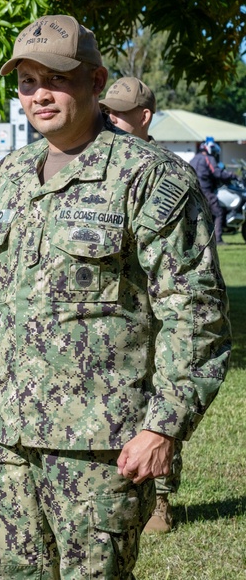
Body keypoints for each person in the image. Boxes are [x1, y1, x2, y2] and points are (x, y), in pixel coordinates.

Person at [0, 14, 230, 578]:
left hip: (100, 447)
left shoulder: (149, 176)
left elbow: (195, 314)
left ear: (96, 83)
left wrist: (164, 426)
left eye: (56, 78)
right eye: (27, 82)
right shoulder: (9, 176)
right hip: (5, 441)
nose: (39, 95)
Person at [100, 76, 201, 533]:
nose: (111, 119)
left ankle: (161, 498)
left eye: (120, 113)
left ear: (144, 117)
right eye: (108, 111)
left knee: (161, 398)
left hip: (162, 310)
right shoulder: (100, 165)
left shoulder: (170, 171)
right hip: (120, 314)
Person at [190, 138, 237, 243]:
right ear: (209, 149)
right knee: (218, 212)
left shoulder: (194, 158)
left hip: (193, 190)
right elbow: (217, 173)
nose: (215, 154)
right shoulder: (208, 158)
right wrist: (232, 175)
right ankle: (218, 240)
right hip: (205, 190)